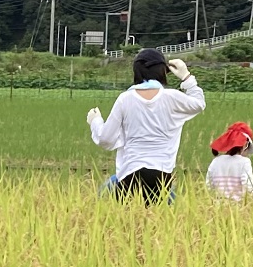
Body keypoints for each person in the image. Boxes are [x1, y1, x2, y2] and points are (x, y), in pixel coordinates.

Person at [87, 49, 205, 203]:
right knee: (170, 217)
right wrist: (186, 77)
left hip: (129, 175)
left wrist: (95, 121)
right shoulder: (172, 97)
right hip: (161, 175)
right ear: (163, 71)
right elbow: (199, 103)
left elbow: (106, 139)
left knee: (104, 206)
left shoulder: (125, 99)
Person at [205, 121, 253, 202]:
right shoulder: (244, 162)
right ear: (245, 144)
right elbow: (248, 186)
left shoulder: (216, 161)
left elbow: (209, 186)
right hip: (238, 209)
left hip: (217, 208)